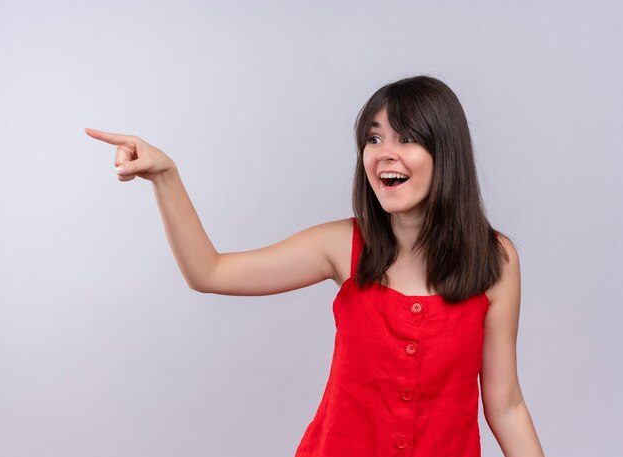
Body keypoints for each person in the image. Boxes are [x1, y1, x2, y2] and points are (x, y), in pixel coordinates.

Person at [85, 75, 545, 456]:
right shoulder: (341, 245)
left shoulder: (495, 260)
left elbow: (505, 405)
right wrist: (166, 177)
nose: (385, 151)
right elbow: (210, 272)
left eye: (406, 138)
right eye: (374, 138)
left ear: (445, 153)